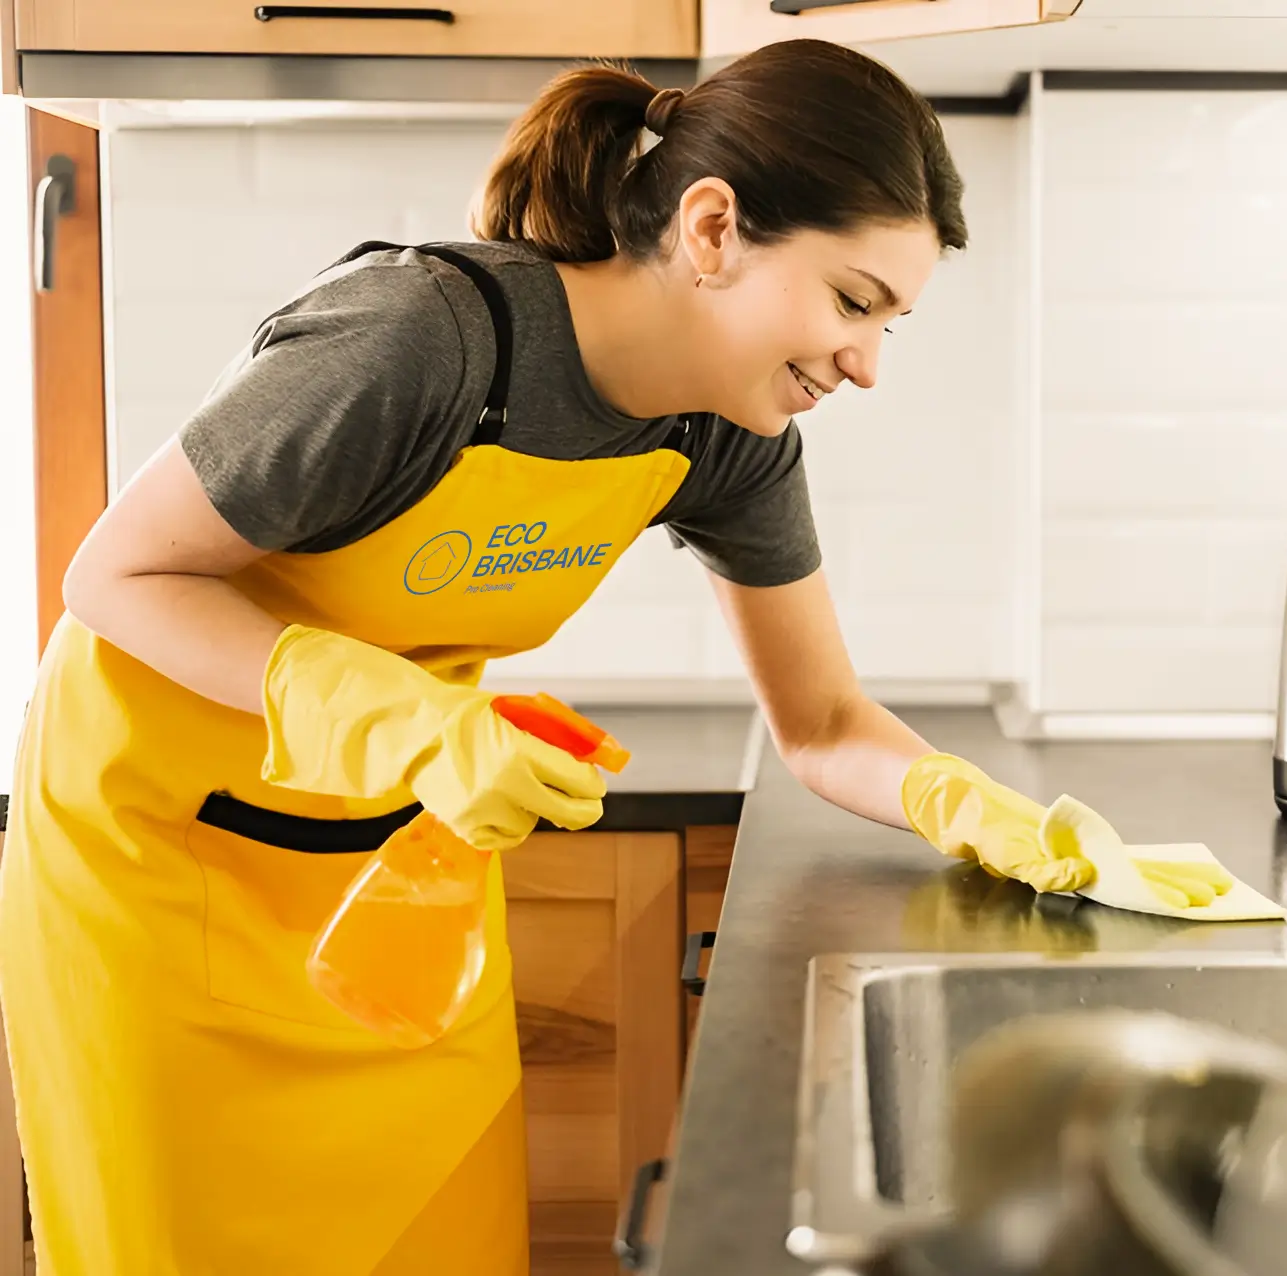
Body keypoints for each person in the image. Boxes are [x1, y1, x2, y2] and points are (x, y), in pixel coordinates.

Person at [0, 39, 1105, 1276]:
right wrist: (398, 717)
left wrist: (958, 802)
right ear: (712, 227)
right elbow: (112, 576)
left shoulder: (718, 434)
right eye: (853, 302)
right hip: (158, 879)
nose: (867, 364)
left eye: (892, 321)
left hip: (398, 889)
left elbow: (823, 723)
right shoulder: (421, 339)